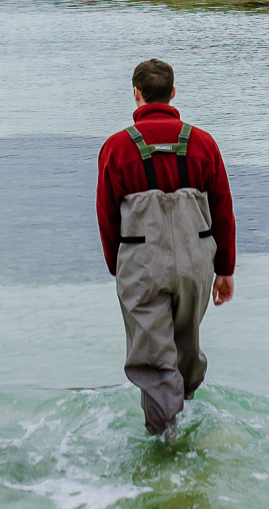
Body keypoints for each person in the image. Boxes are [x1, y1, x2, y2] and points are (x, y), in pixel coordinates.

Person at [95, 58, 236, 436]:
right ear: (173, 93)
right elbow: (223, 209)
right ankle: (187, 421)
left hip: (141, 263)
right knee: (186, 349)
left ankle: (164, 446)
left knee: (153, 362)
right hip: (197, 263)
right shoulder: (203, 143)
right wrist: (225, 269)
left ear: (136, 94)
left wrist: (119, 267)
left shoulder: (117, 147)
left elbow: (107, 218)